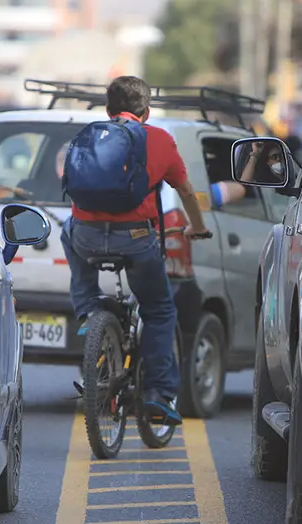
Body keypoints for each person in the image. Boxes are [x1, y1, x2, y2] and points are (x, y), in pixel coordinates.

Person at [60, 75, 213, 425]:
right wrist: (198, 228)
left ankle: (87, 310)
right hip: (135, 240)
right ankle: (158, 394)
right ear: (147, 110)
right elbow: (186, 192)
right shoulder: (159, 139)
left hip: (86, 235)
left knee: (67, 231)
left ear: (107, 108)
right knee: (159, 310)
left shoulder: (91, 135)